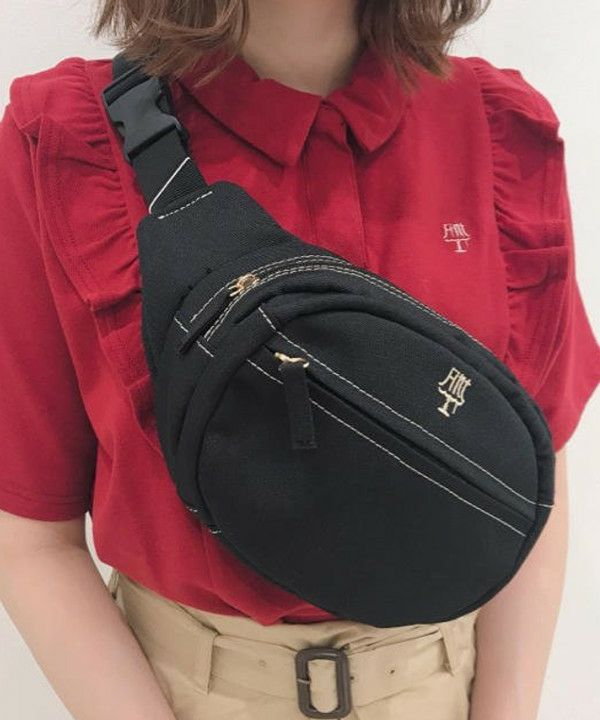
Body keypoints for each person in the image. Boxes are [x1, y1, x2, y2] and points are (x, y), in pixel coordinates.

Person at [0, 1, 599, 719]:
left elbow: (532, 460)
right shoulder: (66, 137)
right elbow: (31, 531)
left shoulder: (498, 125)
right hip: (178, 694)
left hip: (442, 688)